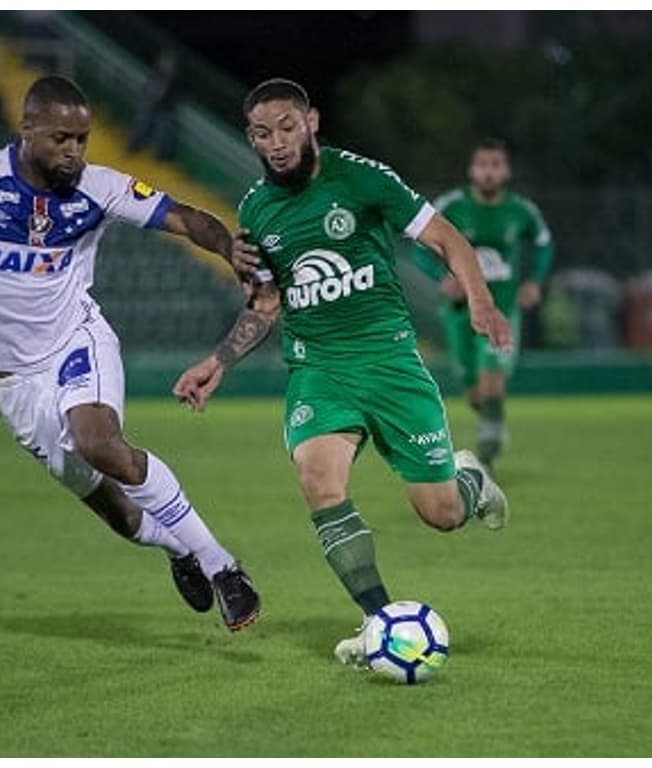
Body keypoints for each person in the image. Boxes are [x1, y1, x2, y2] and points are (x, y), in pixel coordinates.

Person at [0, 76, 260, 631]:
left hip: (73, 340)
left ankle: (222, 566)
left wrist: (229, 247)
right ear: (28, 129)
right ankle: (178, 550)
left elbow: (186, 218)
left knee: (100, 443)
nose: (74, 151)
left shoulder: (98, 187)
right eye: (62, 137)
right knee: (118, 513)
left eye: (82, 139)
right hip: (10, 379)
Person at [173, 79, 512, 663]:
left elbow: (445, 236)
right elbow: (266, 302)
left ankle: (470, 481)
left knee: (441, 514)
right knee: (318, 480)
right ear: (250, 139)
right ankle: (381, 623)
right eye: (261, 133)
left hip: (390, 363)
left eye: (286, 126)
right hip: (319, 371)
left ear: (312, 122)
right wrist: (219, 360)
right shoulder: (255, 209)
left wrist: (479, 298)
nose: (276, 142)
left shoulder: (363, 178)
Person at [413, 138, 554, 471]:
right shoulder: (452, 205)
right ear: (471, 170)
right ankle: (493, 422)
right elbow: (419, 245)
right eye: (483, 165)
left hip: (501, 309)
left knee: (492, 379)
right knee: (476, 395)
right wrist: (441, 276)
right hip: (459, 314)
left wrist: (534, 281)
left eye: (496, 165)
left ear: (506, 170)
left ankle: (486, 459)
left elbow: (544, 242)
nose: (489, 172)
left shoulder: (521, 210)